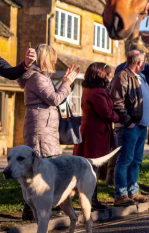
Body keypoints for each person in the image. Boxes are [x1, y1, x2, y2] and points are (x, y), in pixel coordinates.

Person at [18, 44, 78, 219]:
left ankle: (45, 204)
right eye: (52, 58)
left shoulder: (41, 78)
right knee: (38, 167)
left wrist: (65, 83)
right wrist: (66, 83)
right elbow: (54, 98)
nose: (54, 62)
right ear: (46, 58)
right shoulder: (37, 78)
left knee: (45, 167)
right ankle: (32, 209)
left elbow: (53, 96)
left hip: (43, 127)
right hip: (40, 129)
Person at [73, 62, 120, 209]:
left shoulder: (92, 89)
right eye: (106, 74)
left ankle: (91, 199)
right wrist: (117, 116)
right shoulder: (97, 92)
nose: (109, 76)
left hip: (94, 131)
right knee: (92, 166)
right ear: (99, 74)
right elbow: (105, 112)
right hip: (95, 133)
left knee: (91, 166)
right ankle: (90, 200)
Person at [110, 49, 149, 206]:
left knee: (136, 160)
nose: (145, 63)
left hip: (141, 125)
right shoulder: (122, 77)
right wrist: (128, 122)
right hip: (130, 126)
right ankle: (120, 195)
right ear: (139, 62)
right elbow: (117, 102)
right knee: (125, 160)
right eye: (144, 61)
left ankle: (133, 192)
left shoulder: (140, 77)